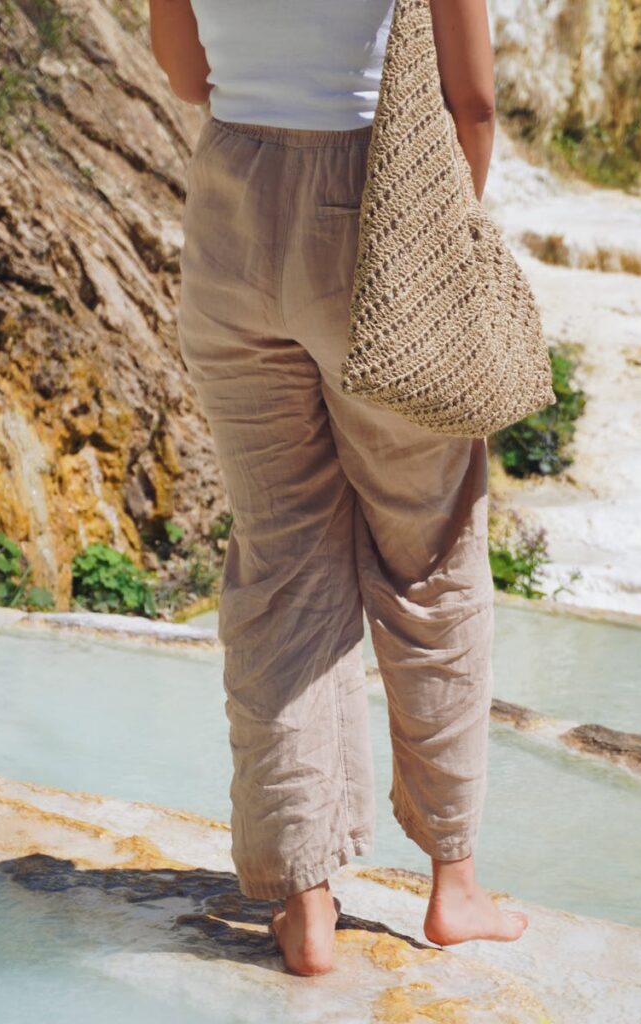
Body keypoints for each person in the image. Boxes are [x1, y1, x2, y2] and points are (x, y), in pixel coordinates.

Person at [148, 0, 529, 977]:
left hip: (230, 212)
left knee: (280, 560)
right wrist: (442, 250)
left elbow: (187, 75)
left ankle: (303, 902)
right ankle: (454, 886)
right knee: (429, 549)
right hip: (379, 202)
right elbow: (472, 101)